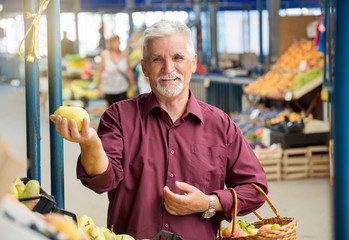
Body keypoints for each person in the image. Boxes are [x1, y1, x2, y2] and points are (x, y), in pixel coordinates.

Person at [50, 20, 268, 240]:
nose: (168, 68)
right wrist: (90, 142)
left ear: (193, 63)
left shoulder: (220, 124)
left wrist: (209, 202)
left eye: (177, 57)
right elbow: (103, 181)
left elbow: (256, 188)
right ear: (144, 68)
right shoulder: (119, 117)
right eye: (157, 59)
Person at [97, 34, 136, 107]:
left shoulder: (125, 54)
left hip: (122, 88)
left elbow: (129, 70)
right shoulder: (104, 55)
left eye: (118, 41)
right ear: (110, 43)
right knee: (111, 110)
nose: (117, 44)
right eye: (115, 42)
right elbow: (100, 72)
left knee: (122, 110)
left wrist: (132, 85)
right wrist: (99, 88)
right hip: (108, 89)